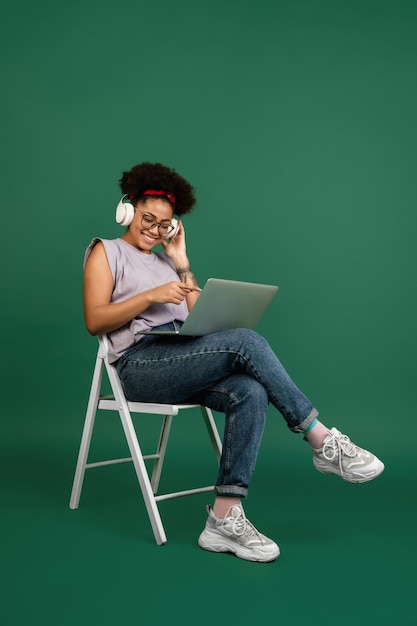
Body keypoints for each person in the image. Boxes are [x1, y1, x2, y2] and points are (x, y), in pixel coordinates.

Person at [83, 161, 384, 563]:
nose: (153, 231)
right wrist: (150, 297)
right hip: (137, 368)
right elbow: (94, 320)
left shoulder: (166, 262)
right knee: (245, 341)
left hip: (175, 358)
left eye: (163, 225)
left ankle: (224, 518)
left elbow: (196, 321)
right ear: (128, 209)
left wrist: (181, 258)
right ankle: (320, 439)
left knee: (250, 390)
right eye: (147, 219)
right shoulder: (106, 251)